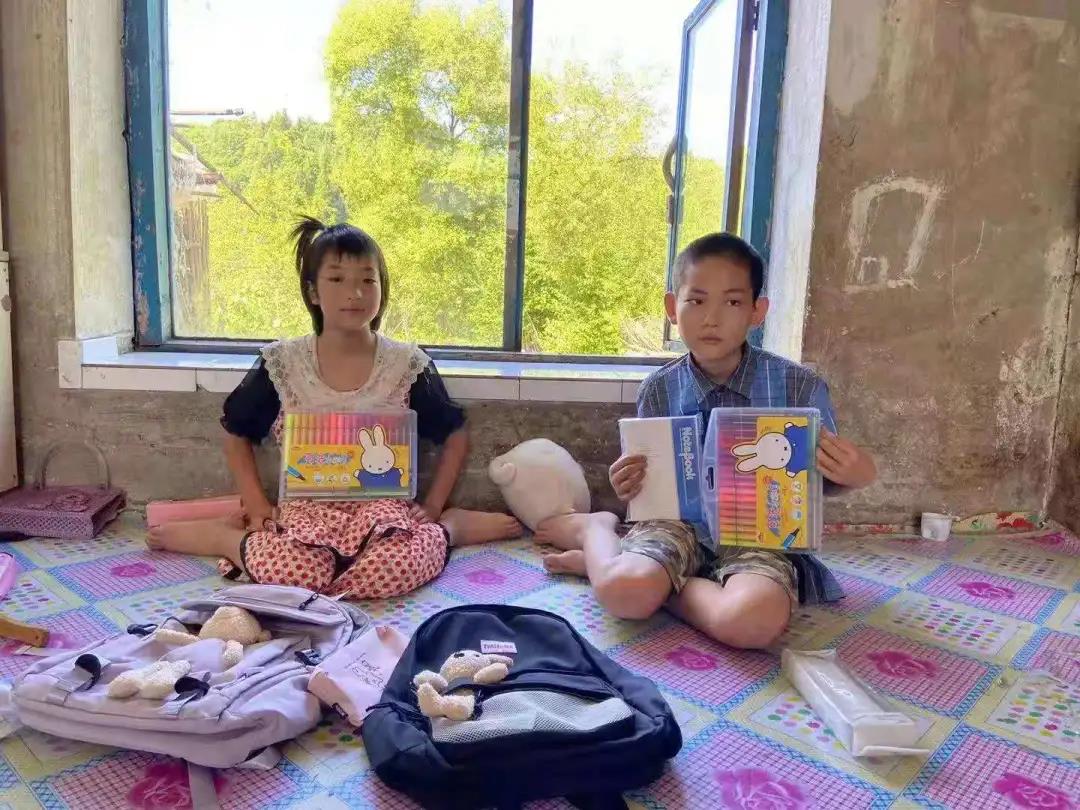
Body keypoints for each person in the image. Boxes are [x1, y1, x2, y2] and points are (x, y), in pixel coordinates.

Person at [148, 217, 522, 598]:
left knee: (395, 567)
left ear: (382, 289)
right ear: (313, 292)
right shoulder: (284, 362)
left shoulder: (406, 364)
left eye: (367, 280)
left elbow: (455, 433)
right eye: (337, 279)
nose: (354, 293)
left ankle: (451, 530)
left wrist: (436, 507)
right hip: (306, 510)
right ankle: (225, 539)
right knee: (296, 575)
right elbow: (235, 433)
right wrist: (257, 504)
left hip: (381, 509)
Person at [539, 233, 877, 649]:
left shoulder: (800, 386)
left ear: (757, 311)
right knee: (623, 593)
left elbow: (819, 480)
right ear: (672, 308)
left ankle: (650, 583)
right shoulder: (658, 389)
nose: (711, 319)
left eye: (732, 302)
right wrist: (626, 482)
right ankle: (598, 530)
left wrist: (857, 471)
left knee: (751, 623)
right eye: (696, 301)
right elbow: (647, 488)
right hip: (675, 526)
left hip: (760, 533)